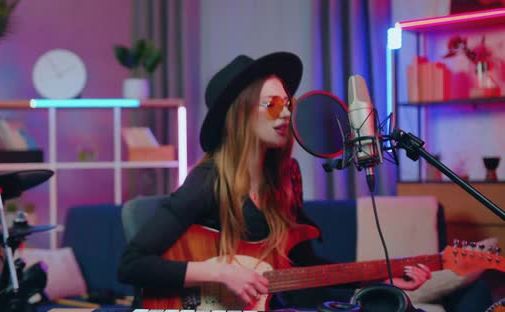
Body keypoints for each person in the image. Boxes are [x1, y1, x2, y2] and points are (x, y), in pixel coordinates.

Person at [117, 51, 432, 309]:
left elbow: (304, 264)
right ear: (240, 115)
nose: (285, 114)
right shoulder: (208, 180)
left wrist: (379, 280)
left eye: (287, 104)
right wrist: (220, 273)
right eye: (271, 105)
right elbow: (132, 264)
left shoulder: (287, 177)